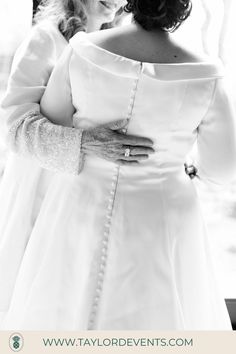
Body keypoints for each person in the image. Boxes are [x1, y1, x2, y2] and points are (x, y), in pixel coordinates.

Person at [2, 0, 233, 330]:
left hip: (79, 203)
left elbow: (54, 116)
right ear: (183, 9)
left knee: (65, 311)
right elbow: (224, 168)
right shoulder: (207, 73)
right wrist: (186, 167)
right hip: (160, 212)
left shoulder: (83, 50)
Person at [0, 0, 154, 326]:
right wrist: (87, 143)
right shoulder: (45, 39)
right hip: (38, 196)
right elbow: (15, 129)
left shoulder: (121, 48)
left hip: (86, 200)